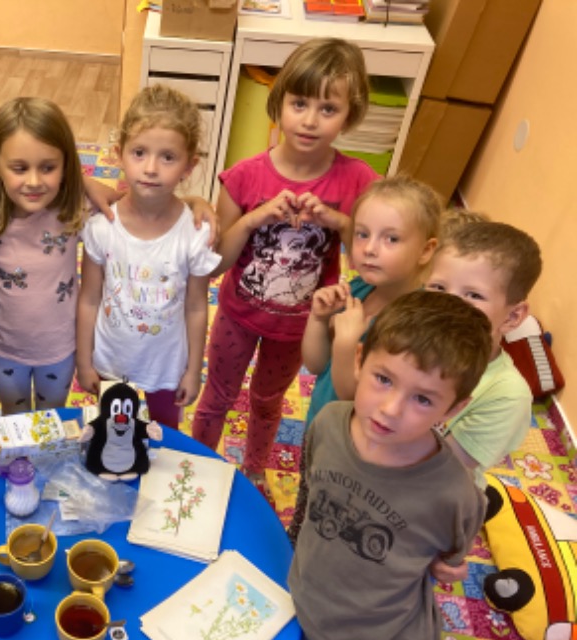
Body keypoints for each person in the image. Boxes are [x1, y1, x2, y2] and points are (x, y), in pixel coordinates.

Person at [253, 289, 491, 640]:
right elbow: (311, 497)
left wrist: (444, 566)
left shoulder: (454, 495)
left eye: (423, 399)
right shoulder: (328, 424)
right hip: (308, 607)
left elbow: (449, 558)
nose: (390, 409)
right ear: (360, 359)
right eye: (383, 379)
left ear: (454, 408)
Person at [191, 38, 377, 490]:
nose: (310, 120)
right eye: (299, 103)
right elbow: (215, 264)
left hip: (299, 328)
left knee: (268, 400)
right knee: (217, 395)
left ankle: (255, 469)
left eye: (328, 108)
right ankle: (195, 466)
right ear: (279, 103)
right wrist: (254, 219)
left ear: (349, 114)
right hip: (238, 315)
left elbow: (371, 255)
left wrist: (336, 220)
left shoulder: (359, 181)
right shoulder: (243, 176)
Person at [75, 84, 222, 429]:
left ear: (189, 166)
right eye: (139, 152)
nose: (151, 168)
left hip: (167, 365)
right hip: (110, 359)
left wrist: (193, 370)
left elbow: (197, 307)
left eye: (168, 157)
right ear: (119, 153)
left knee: (164, 439)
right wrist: (84, 359)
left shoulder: (195, 233)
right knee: (112, 434)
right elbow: (89, 298)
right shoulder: (101, 227)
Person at [302, 176, 441, 427]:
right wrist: (318, 319)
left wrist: (346, 344)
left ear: (425, 250)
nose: (369, 249)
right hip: (321, 423)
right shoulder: (358, 289)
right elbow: (316, 365)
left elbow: (352, 400)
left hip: (354, 439)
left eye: (391, 239)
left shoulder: (415, 324)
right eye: (362, 234)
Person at [0, 97, 86, 414]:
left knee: (52, 421)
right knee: (15, 422)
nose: (35, 181)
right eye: (20, 168)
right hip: (4, 349)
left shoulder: (75, 210)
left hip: (60, 350)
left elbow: (136, 206)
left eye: (48, 168)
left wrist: (193, 203)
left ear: (66, 166)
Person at [426, 220, 542, 488]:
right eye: (439, 288)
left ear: (513, 316)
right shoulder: (409, 345)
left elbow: (438, 471)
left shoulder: (507, 394)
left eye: (473, 295)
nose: (446, 305)